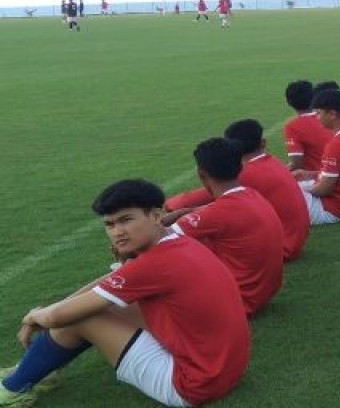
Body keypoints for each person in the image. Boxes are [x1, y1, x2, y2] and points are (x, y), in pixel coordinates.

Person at [0, 179, 249, 407]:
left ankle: (13, 390)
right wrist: (56, 308)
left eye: (126, 220)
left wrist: (34, 315)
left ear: (156, 215)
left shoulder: (155, 264)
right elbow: (110, 283)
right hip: (224, 369)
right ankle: (34, 369)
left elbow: (58, 317)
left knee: (81, 316)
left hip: (191, 385)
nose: (117, 231)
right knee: (95, 306)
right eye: (109, 224)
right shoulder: (177, 244)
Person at [165, 138, 284, 317]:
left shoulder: (218, 212)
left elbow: (157, 239)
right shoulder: (251, 194)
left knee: (161, 262)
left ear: (202, 174)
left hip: (237, 302)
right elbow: (207, 212)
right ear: (240, 167)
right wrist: (181, 212)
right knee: (199, 243)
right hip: (261, 295)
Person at [165, 119, 311, 263]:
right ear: (262, 143)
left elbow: (192, 201)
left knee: (187, 242)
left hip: (282, 247)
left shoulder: (246, 174)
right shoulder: (270, 162)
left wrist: (170, 208)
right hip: (291, 240)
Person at [293, 89, 340, 225]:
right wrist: (309, 174)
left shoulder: (336, 145)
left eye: (319, 113)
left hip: (330, 210)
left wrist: (300, 189)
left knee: (282, 192)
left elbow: (323, 190)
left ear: (332, 114)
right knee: (295, 183)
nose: (316, 117)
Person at [283, 80, 332, 174]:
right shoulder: (328, 117)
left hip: (318, 178)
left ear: (288, 102)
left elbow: (296, 164)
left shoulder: (292, 126)